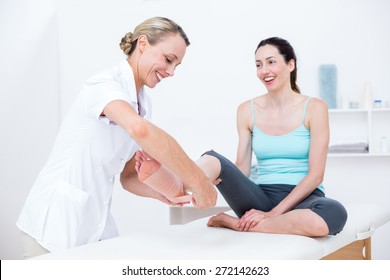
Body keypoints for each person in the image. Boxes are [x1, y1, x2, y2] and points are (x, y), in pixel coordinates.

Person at [16, 17, 217, 258]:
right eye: (168, 60)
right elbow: (140, 130)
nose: (172, 72)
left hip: (93, 228)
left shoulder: (143, 104)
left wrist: (163, 193)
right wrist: (199, 181)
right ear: (142, 43)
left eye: (177, 65)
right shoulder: (104, 86)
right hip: (53, 228)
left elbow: (129, 176)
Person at [137, 37, 348, 237]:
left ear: (290, 64)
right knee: (213, 159)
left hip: (304, 200)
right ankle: (178, 183)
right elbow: (242, 168)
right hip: (259, 199)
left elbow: (316, 175)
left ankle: (240, 225)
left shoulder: (315, 108)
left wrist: (273, 213)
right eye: (258, 65)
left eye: (271, 62)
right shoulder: (247, 110)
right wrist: (228, 182)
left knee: (334, 213)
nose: (264, 71)